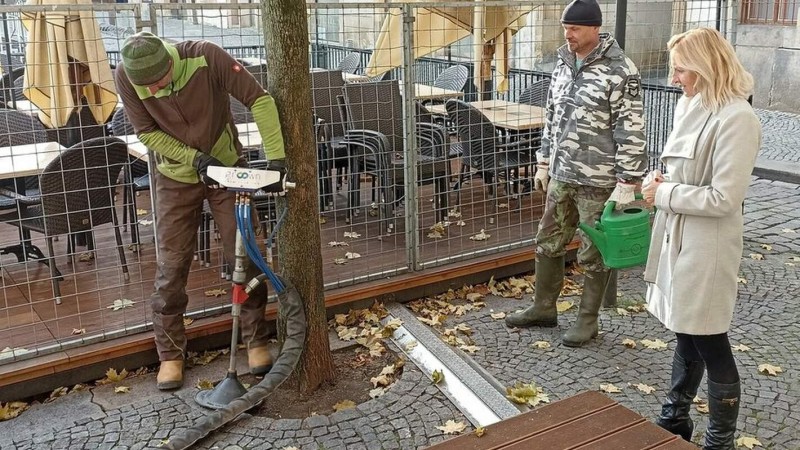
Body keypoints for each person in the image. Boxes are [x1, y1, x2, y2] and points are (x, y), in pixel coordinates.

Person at [115, 32, 286, 390]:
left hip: (226, 169)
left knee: (245, 253)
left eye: (159, 82)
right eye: (146, 87)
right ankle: (171, 355)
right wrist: (195, 159)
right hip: (174, 176)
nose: (154, 91)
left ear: (170, 62)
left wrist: (276, 160)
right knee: (172, 266)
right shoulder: (126, 77)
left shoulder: (206, 57)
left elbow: (261, 100)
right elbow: (146, 132)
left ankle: (256, 340)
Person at [641, 28, 760, 448]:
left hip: (707, 246)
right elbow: (685, 171)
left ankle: (720, 440)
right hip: (679, 235)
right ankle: (675, 419)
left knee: (710, 338)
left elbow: (726, 197)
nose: (674, 78)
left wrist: (665, 193)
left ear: (705, 68)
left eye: (680, 70)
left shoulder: (737, 118)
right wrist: (660, 180)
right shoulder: (690, 104)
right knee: (685, 328)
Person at [505, 0, 646, 347]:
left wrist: (628, 181)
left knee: (592, 252)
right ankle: (543, 307)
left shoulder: (620, 70)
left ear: (595, 28)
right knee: (547, 240)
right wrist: (542, 161)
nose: (568, 34)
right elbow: (552, 114)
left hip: (599, 181)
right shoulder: (564, 62)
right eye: (565, 28)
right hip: (562, 173)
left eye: (575, 29)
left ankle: (587, 321)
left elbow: (631, 129)